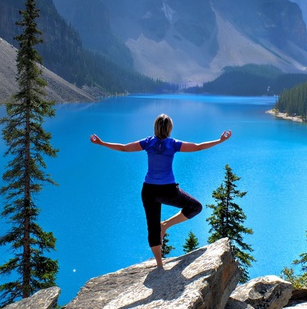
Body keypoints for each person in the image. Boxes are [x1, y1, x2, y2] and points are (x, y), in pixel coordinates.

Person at [90, 113, 231, 269]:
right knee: (195, 207)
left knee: (152, 227)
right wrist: (220, 140)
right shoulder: (173, 144)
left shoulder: (148, 142)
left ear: (155, 127)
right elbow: (198, 147)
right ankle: (165, 226)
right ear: (170, 128)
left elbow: (124, 148)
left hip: (149, 190)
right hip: (168, 191)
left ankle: (159, 264)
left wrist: (102, 143)